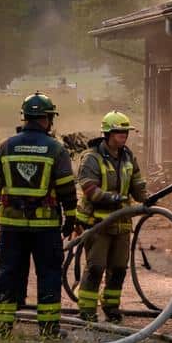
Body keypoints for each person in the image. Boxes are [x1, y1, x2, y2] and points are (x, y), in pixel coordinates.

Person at [0, 92, 78, 339]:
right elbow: (67, 188)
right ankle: (48, 329)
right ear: (47, 119)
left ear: (25, 117)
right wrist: (71, 217)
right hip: (45, 227)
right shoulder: (56, 149)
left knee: (8, 273)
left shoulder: (5, 146)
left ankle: (3, 327)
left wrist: (2, 206)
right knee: (48, 274)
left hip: (11, 226)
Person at [74, 111, 148, 324]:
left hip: (121, 224)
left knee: (118, 269)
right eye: (118, 132)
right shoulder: (91, 157)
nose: (123, 136)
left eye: (125, 132)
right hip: (97, 224)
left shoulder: (128, 157)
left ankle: (111, 307)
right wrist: (112, 197)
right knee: (96, 266)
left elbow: (137, 184)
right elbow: (89, 189)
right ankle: (87, 309)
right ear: (107, 134)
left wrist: (146, 199)